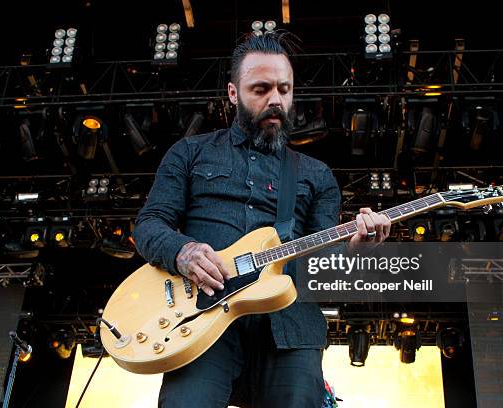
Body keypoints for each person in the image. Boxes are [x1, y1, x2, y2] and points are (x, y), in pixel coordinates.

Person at [134, 33, 390, 408]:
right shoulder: (190, 152)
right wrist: (182, 251)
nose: (276, 100)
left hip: (289, 327)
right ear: (233, 93)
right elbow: (149, 223)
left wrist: (355, 247)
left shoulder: (316, 174)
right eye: (261, 88)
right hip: (200, 322)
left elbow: (322, 258)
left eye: (284, 89)